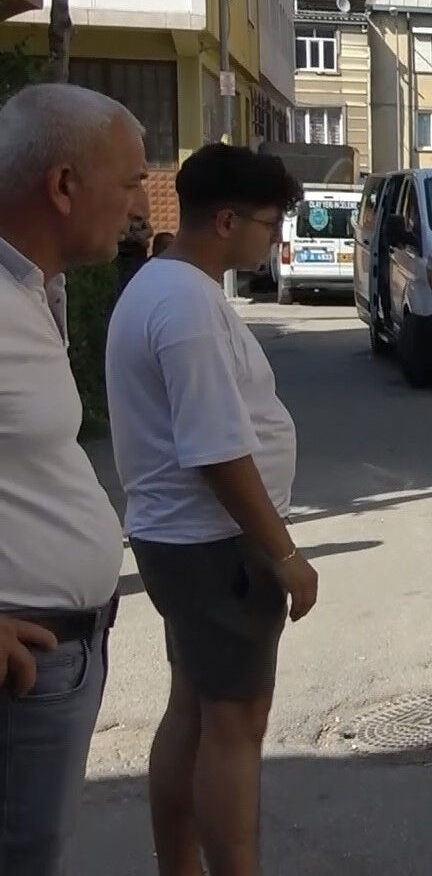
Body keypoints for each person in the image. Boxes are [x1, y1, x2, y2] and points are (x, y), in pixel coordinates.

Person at [107, 142, 313, 876]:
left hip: (184, 542)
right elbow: (218, 449)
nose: (273, 238)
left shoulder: (166, 287)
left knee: (193, 710)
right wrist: (285, 555)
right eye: (268, 222)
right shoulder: (188, 306)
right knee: (235, 725)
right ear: (227, 220)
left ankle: (180, 867)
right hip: (214, 545)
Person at [0, 84, 148, 876]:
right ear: (63, 186)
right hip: (21, 666)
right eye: (129, 182)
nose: (137, 207)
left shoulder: (33, 288)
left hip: (60, 659)